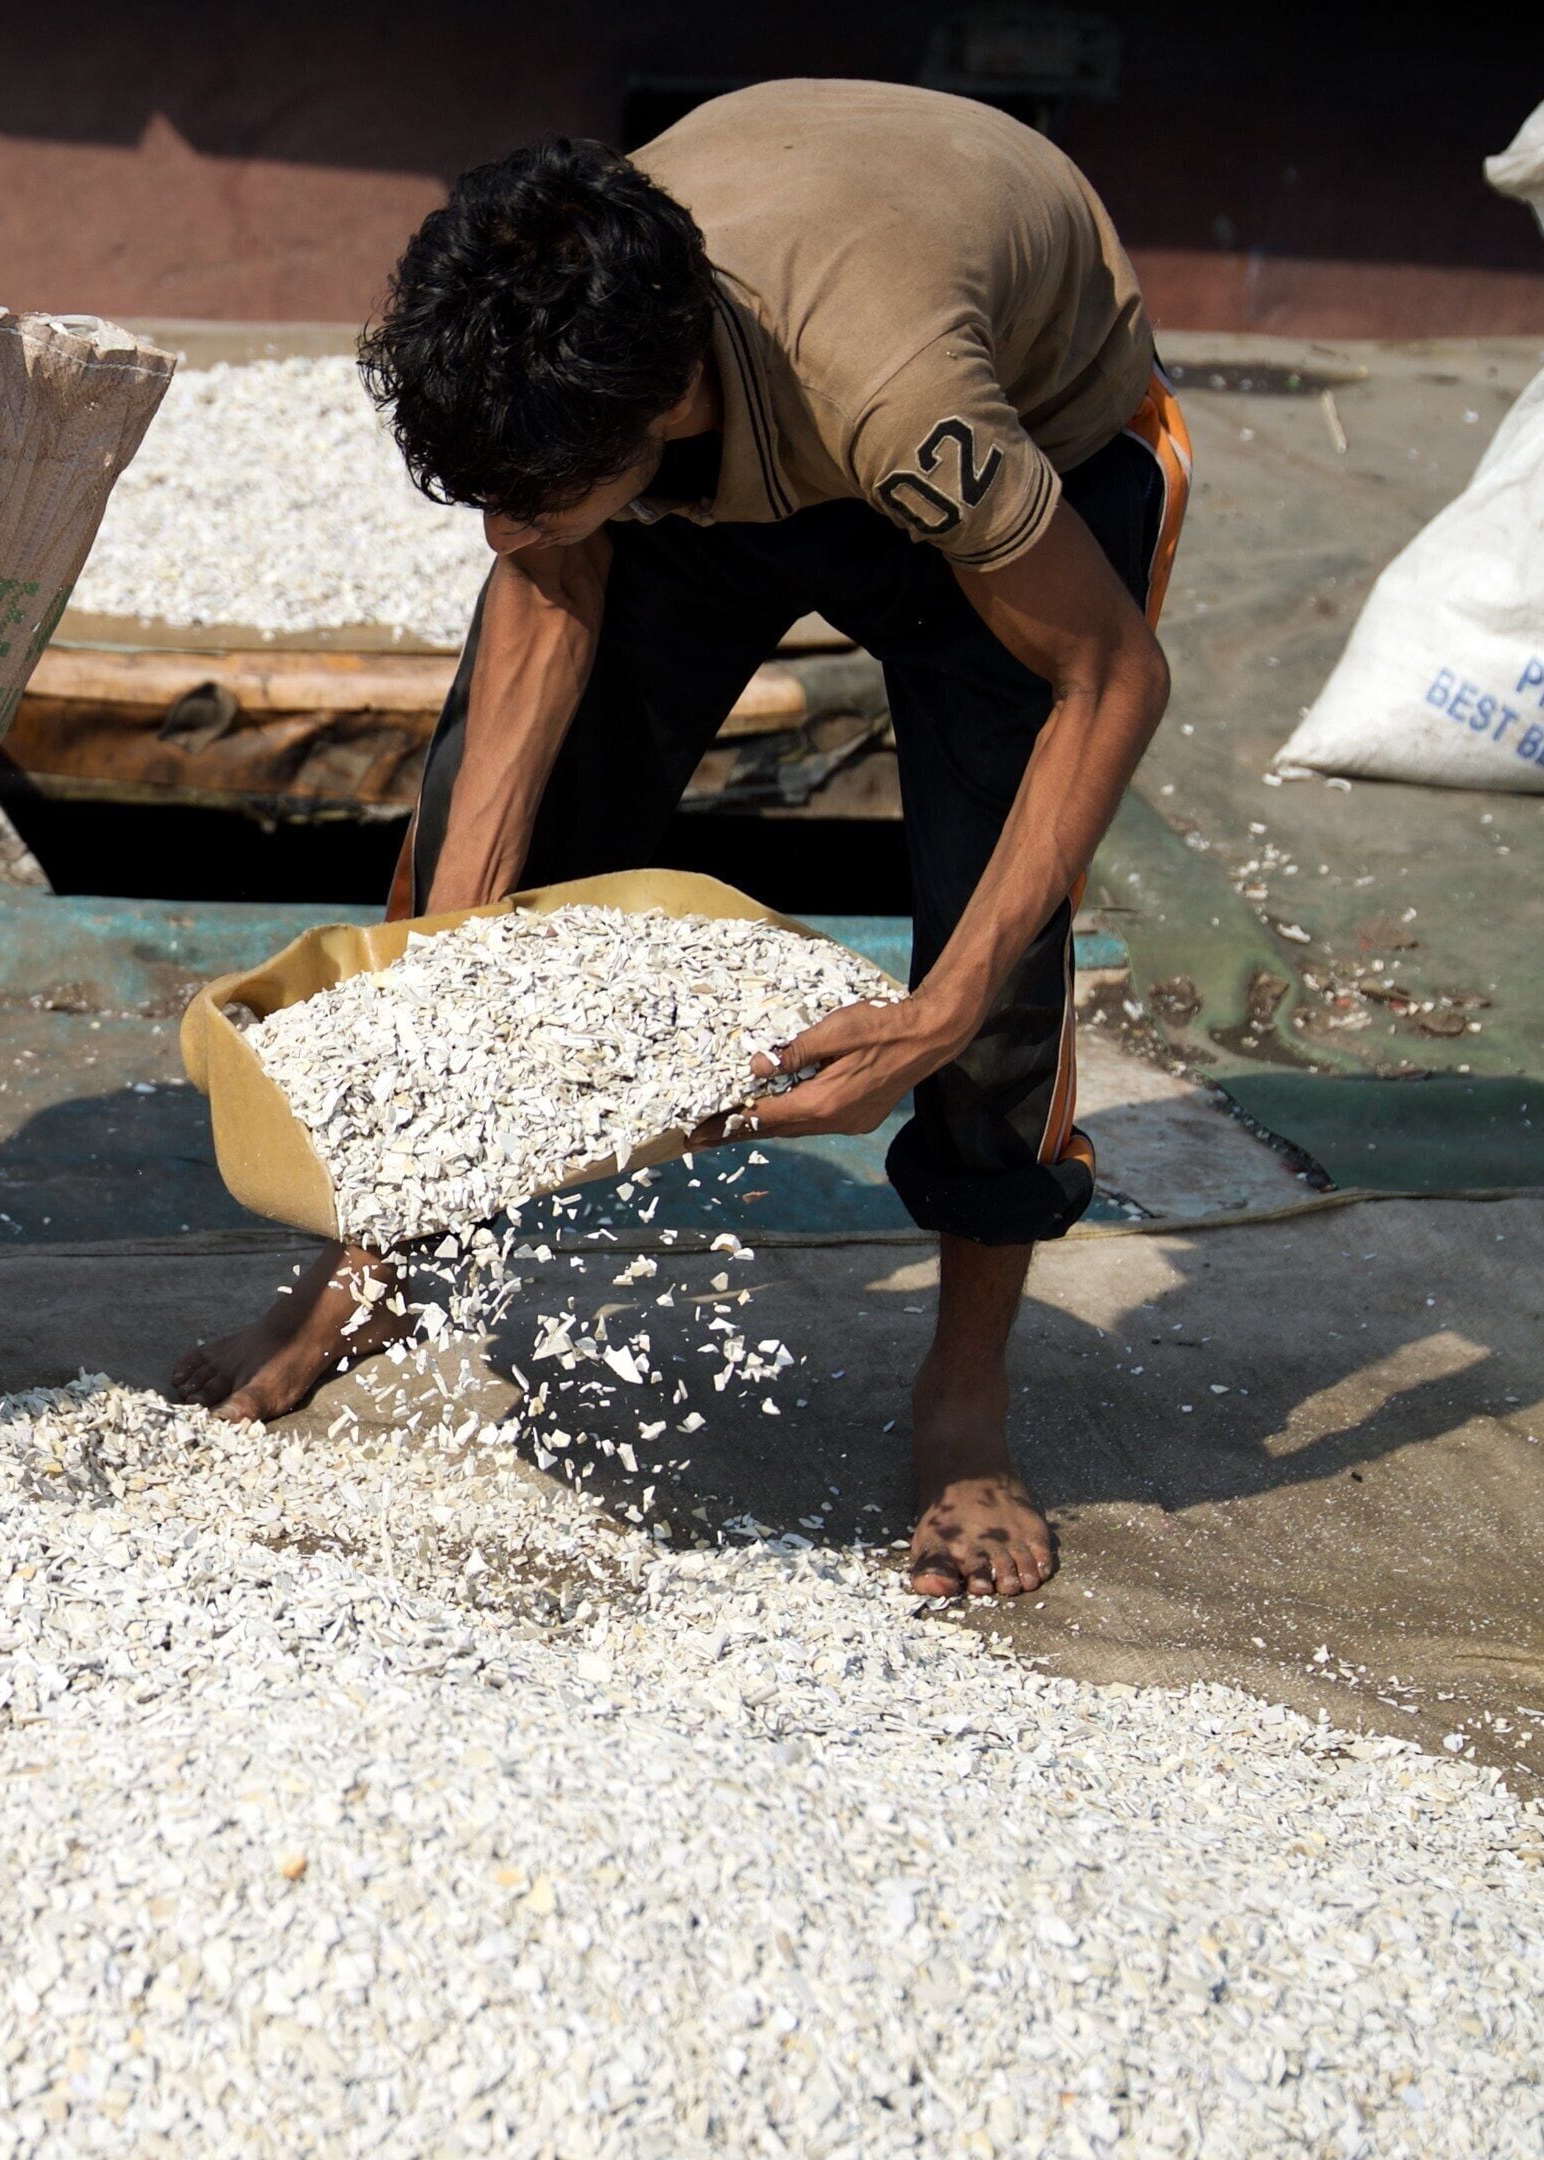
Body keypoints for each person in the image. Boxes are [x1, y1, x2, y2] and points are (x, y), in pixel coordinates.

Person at [169, 81, 1190, 1601]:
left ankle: (964, 1397)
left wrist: (942, 1008)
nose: (501, 536)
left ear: (660, 420)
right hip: (722, 432)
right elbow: (542, 585)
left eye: (532, 500)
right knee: (471, 849)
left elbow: (1106, 682)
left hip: (1037, 447)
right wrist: (439, 981)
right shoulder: (558, 333)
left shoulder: (907, 402)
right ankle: (380, 1270)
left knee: (998, 943)